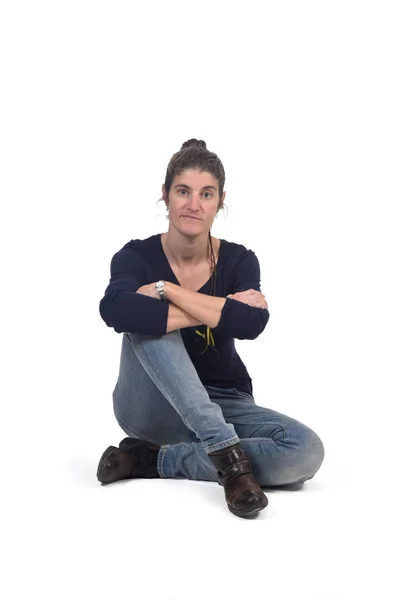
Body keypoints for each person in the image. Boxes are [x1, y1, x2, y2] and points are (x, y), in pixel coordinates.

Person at [96, 138, 325, 519]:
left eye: (206, 194)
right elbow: (115, 310)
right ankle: (228, 459)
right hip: (151, 406)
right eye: (183, 191)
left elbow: (253, 323)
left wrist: (166, 293)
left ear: (220, 202)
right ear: (165, 196)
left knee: (305, 451)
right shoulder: (136, 256)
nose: (193, 204)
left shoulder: (238, 260)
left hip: (224, 399)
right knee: (147, 320)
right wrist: (217, 307)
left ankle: (154, 461)